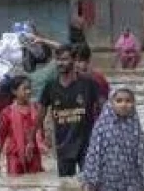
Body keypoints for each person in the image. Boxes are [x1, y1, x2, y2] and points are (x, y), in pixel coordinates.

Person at [80, 88, 144, 191]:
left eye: (128, 101)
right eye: (119, 101)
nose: (124, 104)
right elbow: (92, 158)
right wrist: (89, 188)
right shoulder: (101, 128)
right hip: (105, 187)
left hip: (130, 187)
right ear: (111, 104)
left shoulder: (135, 128)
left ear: (134, 104)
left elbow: (143, 161)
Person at [39, 44, 101, 178]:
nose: (61, 63)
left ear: (74, 59)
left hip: (87, 144)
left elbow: (103, 109)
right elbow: (41, 114)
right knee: (66, 186)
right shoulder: (51, 86)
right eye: (58, 59)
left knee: (89, 181)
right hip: (63, 145)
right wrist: (37, 138)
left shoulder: (89, 83)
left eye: (65, 59)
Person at [0, 76, 46, 175]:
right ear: (14, 91)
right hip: (15, 155)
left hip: (34, 153)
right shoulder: (7, 113)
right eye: (25, 89)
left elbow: (40, 131)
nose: (28, 92)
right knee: (16, 186)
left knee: (36, 184)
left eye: (29, 88)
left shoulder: (36, 109)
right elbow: (0, 137)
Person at [74, 43, 110, 115]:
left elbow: (102, 105)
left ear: (88, 61)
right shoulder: (70, 78)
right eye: (74, 61)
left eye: (80, 61)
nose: (76, 65)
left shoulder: (97, 79)